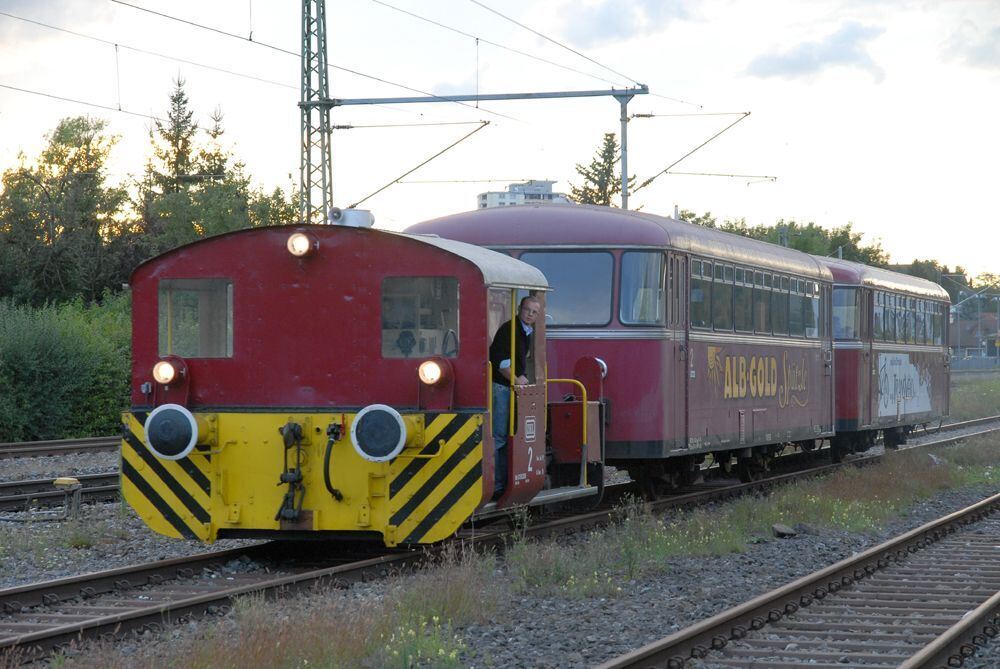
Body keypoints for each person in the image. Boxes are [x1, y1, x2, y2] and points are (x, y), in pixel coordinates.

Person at [488, 295, 540, 499]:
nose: (530, 314)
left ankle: (502, 482)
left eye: (534, 312)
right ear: (520, 309)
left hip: (509, 387)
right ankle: (496, 485)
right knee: (499, 436)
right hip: (501, 387)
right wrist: (517, 379)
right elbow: (502, 364)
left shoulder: (525, 331)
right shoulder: (510, 330)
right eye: (527, 310)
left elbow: (516, 362)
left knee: (507, 435)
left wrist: (522, 377)